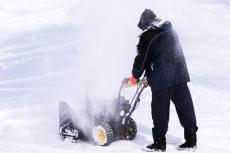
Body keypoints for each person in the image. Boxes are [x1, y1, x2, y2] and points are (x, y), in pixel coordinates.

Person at [130, 9, 198, 152]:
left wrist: (135, 75)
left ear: (145, 24)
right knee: (185, 107)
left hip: (162, 79)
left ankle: (159, 143)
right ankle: (191, 140)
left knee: (159, 111)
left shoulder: (148, 36)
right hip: (180, 75)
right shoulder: (170, 29)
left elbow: (141, 59)